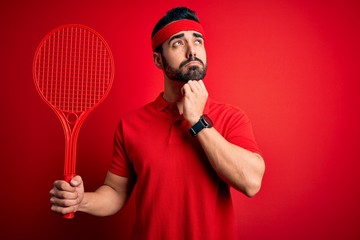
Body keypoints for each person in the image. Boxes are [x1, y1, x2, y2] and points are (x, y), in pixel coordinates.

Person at [49, 6, 265, 240]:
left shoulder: (231, 117)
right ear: (158, 60)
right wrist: (81, 200)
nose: (192, 51)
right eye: (178, 43)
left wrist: (197, 121)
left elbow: (251, 182)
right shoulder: (130, 125)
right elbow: (114, 192)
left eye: (198, 41)